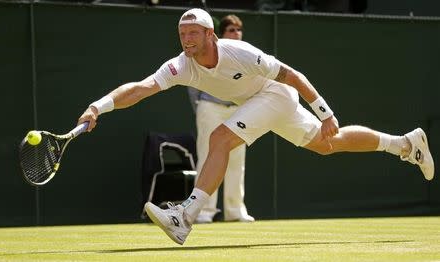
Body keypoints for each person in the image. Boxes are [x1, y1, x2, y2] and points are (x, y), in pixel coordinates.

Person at [77, 8, 435, 245]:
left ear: (209, 35)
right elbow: (141, 89)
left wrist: (324, 111)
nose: (185, 40)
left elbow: (292, 75)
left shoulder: (240, 52)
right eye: (181, 33)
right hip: (256, 103)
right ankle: (404, 144)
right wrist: (98, 106)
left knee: (220, 137)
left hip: (275, 94)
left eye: (192, 33)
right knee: (328, 145)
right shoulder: (181, 65)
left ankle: (185, 216)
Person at [187, 14, 254, 224]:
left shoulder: (247, 54)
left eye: (238, 30)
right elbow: (193, 83)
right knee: (207, 156)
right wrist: (200, 107)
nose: (236, 33)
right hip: (210, 107)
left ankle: (235, 210)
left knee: (237, 160)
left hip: (238, 110)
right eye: (231, 30)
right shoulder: (210, 52)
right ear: (221, 34)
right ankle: (204, 211)